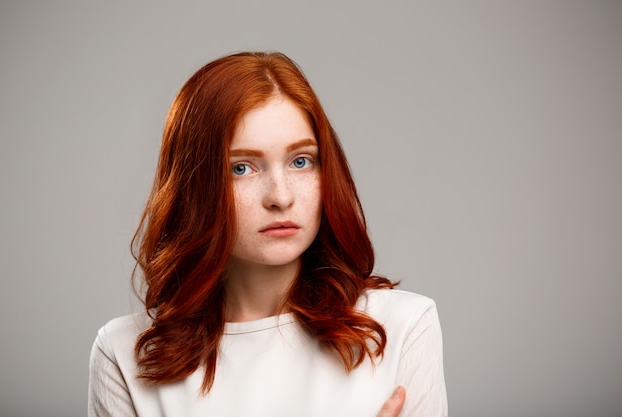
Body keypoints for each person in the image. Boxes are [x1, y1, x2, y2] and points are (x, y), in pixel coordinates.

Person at [88, 51, 448, 417]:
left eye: (301, 161)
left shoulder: (402, 327)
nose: (280, 196)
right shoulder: (124, 356)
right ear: (193, 186)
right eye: (241, 168)